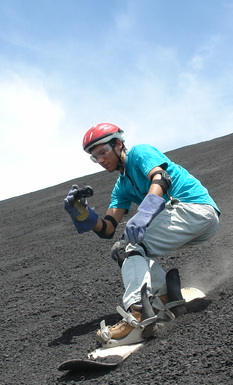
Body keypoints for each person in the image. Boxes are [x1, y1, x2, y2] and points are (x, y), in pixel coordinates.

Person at [63, 123, 220, 347]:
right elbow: (107, 228)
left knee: (131, 249)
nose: (100, 160)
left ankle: (137, 315)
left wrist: (144, 213)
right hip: (193, 223)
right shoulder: (121, 186)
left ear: (118, 144)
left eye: (102, 152)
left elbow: (161, 178)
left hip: (194, 208)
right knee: (122, 249)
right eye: (94, 157)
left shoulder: (139, 153)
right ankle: (165, 298)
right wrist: (83, 215)